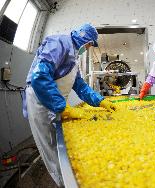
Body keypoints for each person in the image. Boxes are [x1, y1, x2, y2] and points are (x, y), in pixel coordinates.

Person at [24, 23, 115, 186]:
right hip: (40, 101)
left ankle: (67, 179)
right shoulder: (59, 43)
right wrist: (62, 107)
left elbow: (79, 85)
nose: (87, 48)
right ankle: (62, 182)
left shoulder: (74, 57)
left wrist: (100, 100)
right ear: (84, 38)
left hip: (55, 102)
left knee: (59, 145)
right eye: (89, 44)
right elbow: (40, 76)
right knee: (50, 147)